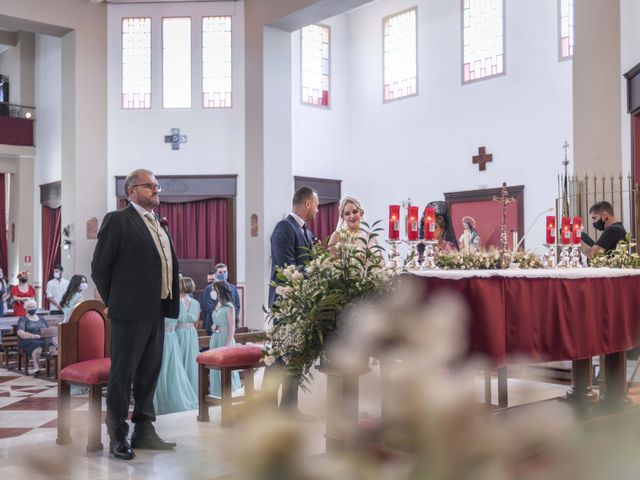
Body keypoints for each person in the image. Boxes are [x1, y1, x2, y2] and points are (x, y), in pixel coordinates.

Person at [91, 168, 180, 460]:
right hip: (128, 311)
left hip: (157, 309)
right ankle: (118, 434)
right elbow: (100, 267)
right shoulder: (118, 220)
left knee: (149, 373)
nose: (156, 190)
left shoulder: (159, 223)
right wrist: (115, 301)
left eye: (157, 186)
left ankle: (144, 429)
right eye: (150, 186)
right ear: (131, 191)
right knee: (123, 375)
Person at [266, 186, 319, 414]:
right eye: (316, 205)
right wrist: (316, 270)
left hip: (303, 303)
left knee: (296, 356)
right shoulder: (283, 228)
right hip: (285, 304)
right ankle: (266, 407)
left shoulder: (306, 232)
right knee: (279, 355)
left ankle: (289, 408)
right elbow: (285, 268)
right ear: (307, 204)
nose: (317, 210)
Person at [152, 314, 198, 415]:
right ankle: (162, 400)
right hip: (161, 339)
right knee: (162, 371)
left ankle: (175, 397)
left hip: (173, 339)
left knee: (175, 372)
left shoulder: (174, 304)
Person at [209, 281, 241, 397]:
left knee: (226, 367)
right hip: (215, 338)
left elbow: (232, 328)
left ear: (219, 290)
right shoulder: (218, 304)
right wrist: (214, 327)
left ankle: (229, 393)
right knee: (215, 367)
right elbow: (216, 322)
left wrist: (226, 345)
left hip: (225, 339)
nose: (212, 291)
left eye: (214, 289)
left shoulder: (229, 306)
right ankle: (217, 394)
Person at [175, 276, 200, 393]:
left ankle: (182, 391)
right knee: (191, 364)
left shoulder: (175, 302)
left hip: (178, 333)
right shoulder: (196, 303)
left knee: (179, 362)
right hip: (192, 335)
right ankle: (192, 390)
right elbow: (196, 323)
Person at [16, 299, 51, 375]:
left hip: (41, 338)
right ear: (26, 308)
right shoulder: (23, 319)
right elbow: (20, 332)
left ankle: (54, 366)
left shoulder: (41, 318)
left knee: (52, 343)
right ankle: (36, 366)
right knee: (36, 345)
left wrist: (54, 338)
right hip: (27, 339)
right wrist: (33, 336)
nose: (32, 309)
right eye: (30, 307)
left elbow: (48, 330)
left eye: (34, 307)